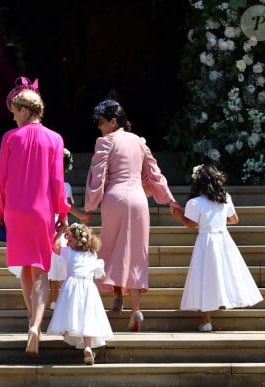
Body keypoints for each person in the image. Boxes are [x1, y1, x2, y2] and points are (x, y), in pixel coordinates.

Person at [84, 99, 182, 332]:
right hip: (138, 200)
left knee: (109, 248)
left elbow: (97, 176)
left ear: (114, 121)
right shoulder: (139, 142)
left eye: (101, 122)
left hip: (115, 199)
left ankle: (116, 296)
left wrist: (89, 206)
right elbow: (155, 173)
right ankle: (135, 307)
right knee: (137, 252)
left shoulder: (106, 141)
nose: (99, 127)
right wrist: (170, 200)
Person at [0, 76, 71, 357]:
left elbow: (2, 179)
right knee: (41, 270)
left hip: (15, 210)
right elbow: (57, 181)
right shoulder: (55, 139)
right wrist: (62, 213)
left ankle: (31, 318)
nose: (12, 116)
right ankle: (36, 324)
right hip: (41, 211)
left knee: (25, 266)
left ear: (25, 110)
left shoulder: (10, 138)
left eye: (14, 110)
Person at [171, 164, 263, 332]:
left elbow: (191, 225)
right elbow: (234, 219)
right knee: (226, 273)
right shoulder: (225, 197)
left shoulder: (194, 202)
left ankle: (207, 320)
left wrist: (179, 216)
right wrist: (218, 221)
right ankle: (224, 301)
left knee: (206, 277)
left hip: (206, 241)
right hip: (223, 239)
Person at [46, 223, 113, 365]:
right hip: (88, 287)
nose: (68, 243)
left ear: (79, 240)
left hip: (71, 286)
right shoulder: (92, 254)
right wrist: (102, 274)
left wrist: (59, 233)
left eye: (70, 240)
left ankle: (70, 333)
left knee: (73, 313)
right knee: (87, 318)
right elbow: (101, 274)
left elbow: (55, 247)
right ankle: (88, 347)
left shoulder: (68, 252)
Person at [48, 148, 92, 310]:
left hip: (46, 224)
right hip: (56, 226)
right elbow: (66, 204)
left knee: (51, 264)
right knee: (57, 263)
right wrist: (82, 216)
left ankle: (52, 300)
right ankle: (54, 300)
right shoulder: (63, 185)